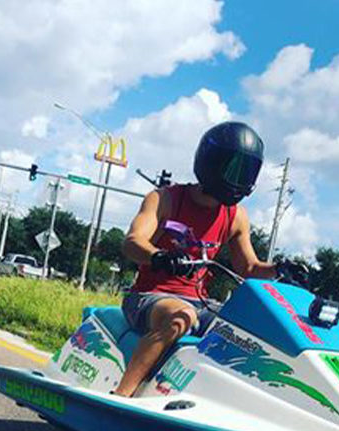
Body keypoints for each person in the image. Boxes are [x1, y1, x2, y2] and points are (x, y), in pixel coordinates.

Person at [113, 121, 304, 397]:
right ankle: (122, 395)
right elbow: (132, 243)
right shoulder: (165, 199)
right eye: (234, 169)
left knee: (248, 329)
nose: (239, 178)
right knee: (181, 317)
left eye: (247, 171)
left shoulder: (235, 216)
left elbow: (248, 267)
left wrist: (280, 269)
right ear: (211, 163)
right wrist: (159, 257)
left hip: (198, 302)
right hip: (148, 297)